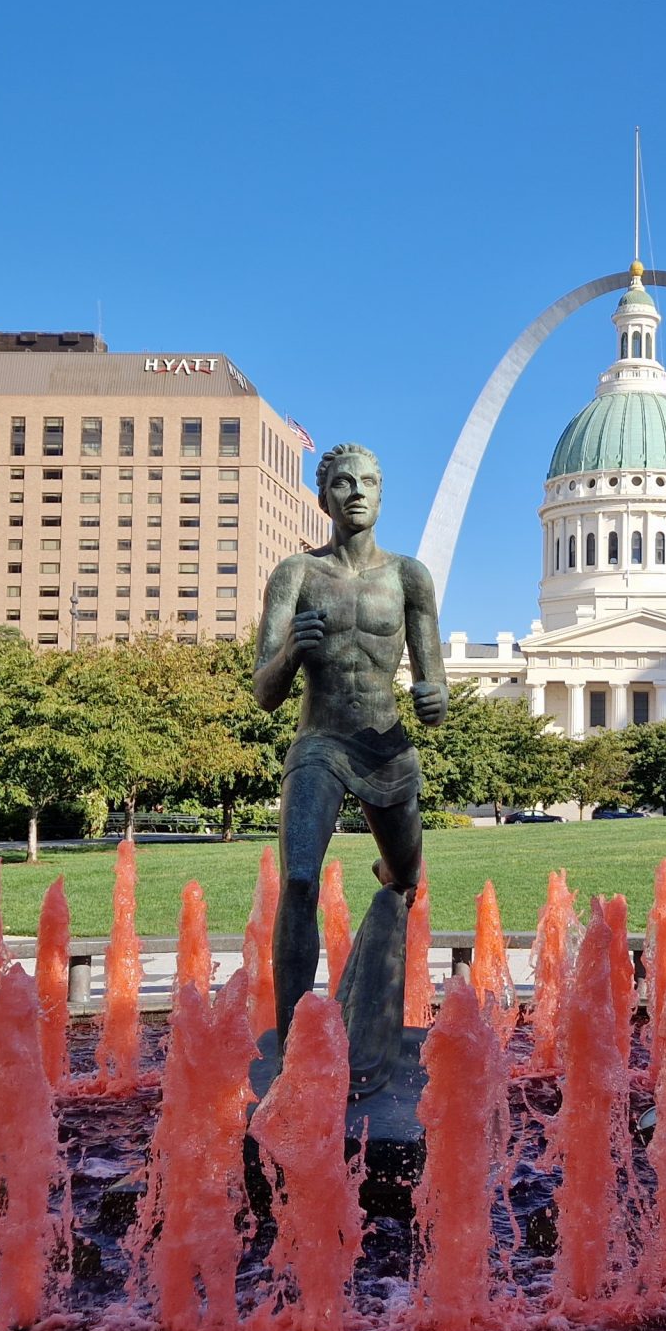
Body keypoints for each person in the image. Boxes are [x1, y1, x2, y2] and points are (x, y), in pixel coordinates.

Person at [253, 442, 448, 1098]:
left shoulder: (410, 579)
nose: (356, 492)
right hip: (322, 740)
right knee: (301, 879)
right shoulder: (296, 575)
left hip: (387, 745)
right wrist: (289, 654)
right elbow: (263, 690)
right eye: (342, 482)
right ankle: (290, 1050)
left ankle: (371, 993)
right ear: (324, 496)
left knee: (407, 880)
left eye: (368, 481)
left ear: (381, 494)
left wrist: (435, 700)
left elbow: (434, 689)